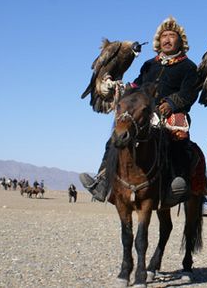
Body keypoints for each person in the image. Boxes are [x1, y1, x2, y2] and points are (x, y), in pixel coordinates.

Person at [80, 16, 199, 205]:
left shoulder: (189, 67)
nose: (167, 39)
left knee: (179, 143)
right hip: (145, 111)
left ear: (180, 41)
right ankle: (103, 180)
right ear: (158, 41)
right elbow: (136, 85)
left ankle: (174, 185)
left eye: (172, 36)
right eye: (164, 36)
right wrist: (118, 88)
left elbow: (190, 93)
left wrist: (171, 103)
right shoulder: (149, 65)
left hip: (172, 113)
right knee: (116, 137)